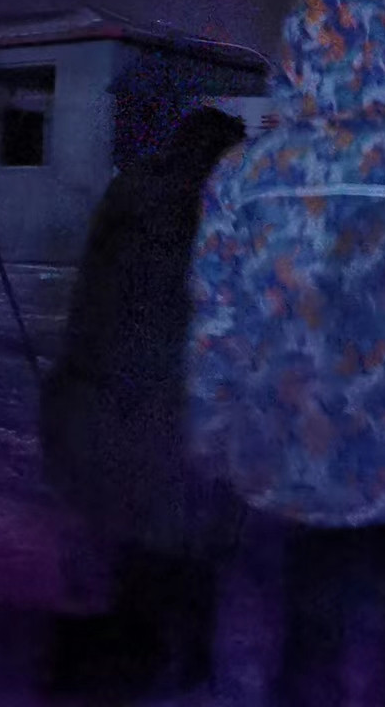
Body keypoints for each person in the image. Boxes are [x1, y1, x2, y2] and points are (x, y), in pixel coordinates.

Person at [186, 0, 385, 706]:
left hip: (282, 465)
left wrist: (211, 436)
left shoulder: (242, 173)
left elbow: (217, 321)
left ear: (294, 59)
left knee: (306, 652)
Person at [41, 105, 248, 697]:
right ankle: (171, 665)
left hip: (105, 394)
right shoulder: (218, 207)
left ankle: (123, 658)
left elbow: (93, 296)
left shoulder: (130, 190)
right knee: (177, 546)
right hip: (171, 407)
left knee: (123, 543)